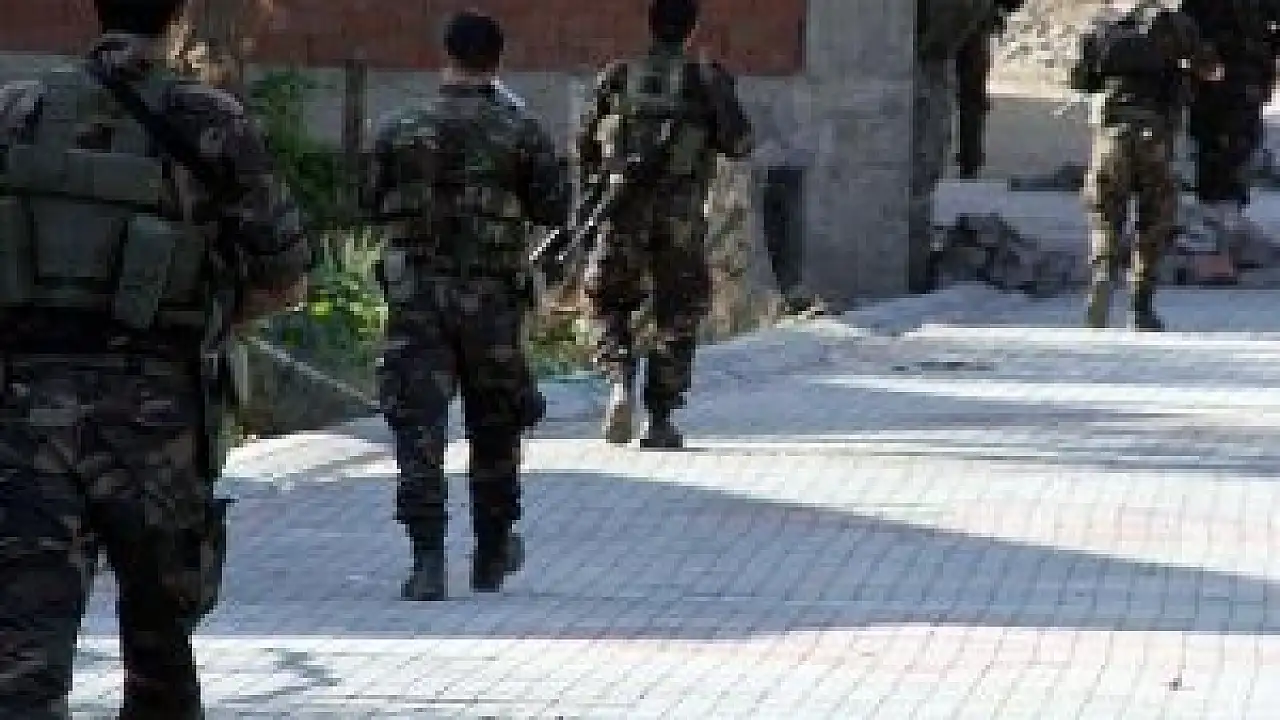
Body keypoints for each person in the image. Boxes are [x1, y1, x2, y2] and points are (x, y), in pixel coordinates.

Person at [0, 0, 312, 717]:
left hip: (23, 418)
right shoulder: (212, 121)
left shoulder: (17, 109)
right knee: (161, 657)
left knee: (22, 664)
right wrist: (210, 316)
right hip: (157, 424)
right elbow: (285, 275)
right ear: (179, 19)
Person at [364, 11, 572, 601]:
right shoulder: (520, 131)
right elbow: (556, 208)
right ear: (497, 60)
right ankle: (491, 551)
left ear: (446, 54)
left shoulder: (399, 127)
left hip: (417, 301)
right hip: (491, 303)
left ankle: (427, 561)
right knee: (496, 424)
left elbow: (369, 200)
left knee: (419, 429)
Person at [575, 0, 753, 449]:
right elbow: (740, 144)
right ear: (692, 29)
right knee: (678, 314)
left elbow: (585, 149)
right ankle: (659, 419)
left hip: (621, 213)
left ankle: (619, 382)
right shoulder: (705, 80)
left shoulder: (617, 77)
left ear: (650, 25)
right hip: (680, 222)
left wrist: (596, 199)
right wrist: (717, 94)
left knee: (606, 301)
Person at [1071, 0, 1221, 330]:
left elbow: (1080, 80)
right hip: (1155, 135)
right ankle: (1140, 306)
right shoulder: (1176, 25)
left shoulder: (1102, 25)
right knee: (1154, 220)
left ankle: (1102, 274)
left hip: (1110, 135)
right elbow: (1212, 70)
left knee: (1105, 214)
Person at [1181, 0, 1280, 255]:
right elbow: (1186, 27)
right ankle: (1215, 226)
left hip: (1241, 77)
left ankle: (1222, 222)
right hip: (1220, 79)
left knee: (1234, 146)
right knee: (1219, 146)